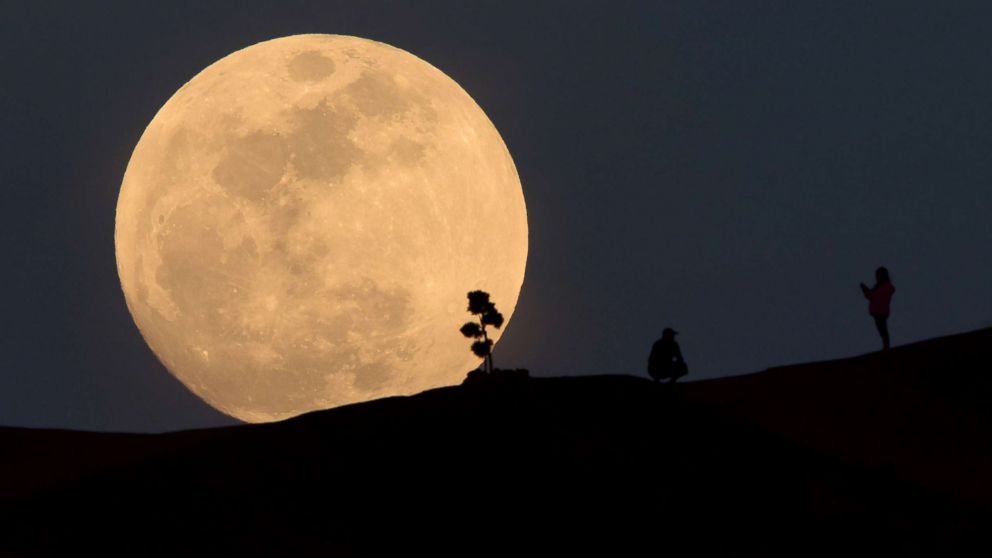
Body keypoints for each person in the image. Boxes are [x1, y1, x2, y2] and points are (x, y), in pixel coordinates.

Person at [860, 266, 895, 350]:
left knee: (883, 329)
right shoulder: (879, 286)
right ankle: (885, 346)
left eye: (878, 275)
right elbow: (870, 295)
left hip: (881, 311)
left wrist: (867, 291)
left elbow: (873, 295)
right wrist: (865, 290)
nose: (877, 277)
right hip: (877, 311)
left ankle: (886, 346)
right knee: (881, 329)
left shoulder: (885, 286)